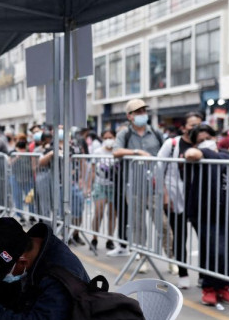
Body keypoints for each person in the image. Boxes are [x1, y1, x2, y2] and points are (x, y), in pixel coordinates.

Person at [184, 126, 229, 306]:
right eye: (200, 140)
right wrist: (201, 149)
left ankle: (224, 287)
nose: (205, 141)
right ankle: (209, 288)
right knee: (214, 251)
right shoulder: (199, 155)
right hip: (209, 212)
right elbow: (190, 155)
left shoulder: (228, 155)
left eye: (208, 137)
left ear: (215, 137)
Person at [110, 98, 164, 257]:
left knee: (163, 224)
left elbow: (166, 152)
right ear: (130, 116)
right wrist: (136, 152)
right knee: (138, 225)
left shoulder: (156, 132)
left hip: (155, 187)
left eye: (144, 111)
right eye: (138, 112)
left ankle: (173, 260)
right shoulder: (124, 134)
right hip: (133, 187)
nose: (142, 114)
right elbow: (116, 152)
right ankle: (142, 257)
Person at [156, 111, 204, 289]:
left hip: (199, 200)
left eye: (199, 124)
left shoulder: (204, 144)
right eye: (192, 125)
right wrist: (164, 193)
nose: (196, 128)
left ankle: (204, 276)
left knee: (205, 238)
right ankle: (183, 274)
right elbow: (158, 167)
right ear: (184, 127)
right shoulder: (172, 143)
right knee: (180, 237)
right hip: (175, 198)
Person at [87, 129, 118, 251]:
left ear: (115, 138)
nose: (108, 140)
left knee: (112, 215)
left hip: (114, 187)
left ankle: (110, 240)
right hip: (100, 186)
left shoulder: (117, 151)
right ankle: (94, 239)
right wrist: (90, 186)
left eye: (110, 137)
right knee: (98, 212)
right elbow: (93, 170)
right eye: (105, 138)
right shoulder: (98, 151)